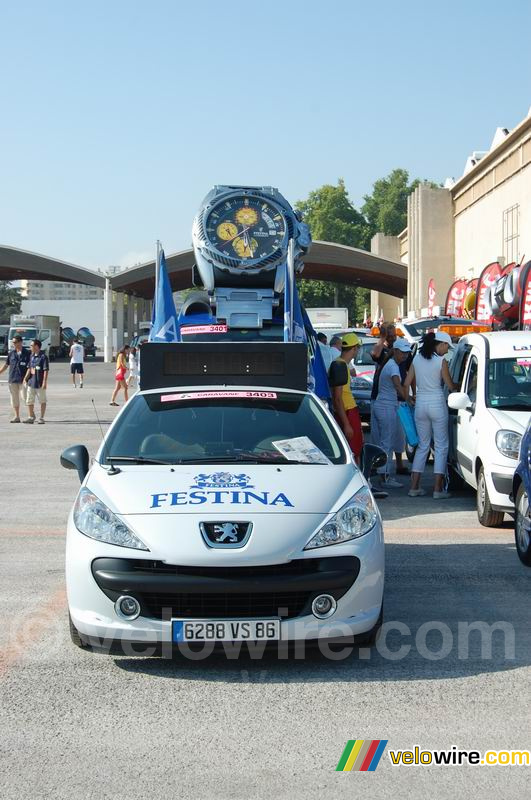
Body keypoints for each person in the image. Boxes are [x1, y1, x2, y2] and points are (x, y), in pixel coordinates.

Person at [404, 331, 458, 499]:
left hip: (420, 405)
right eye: (446, 346)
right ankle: (437, 490)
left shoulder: (417, 359)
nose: (447, 350)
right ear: (439, 344)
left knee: (422, 446)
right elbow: (450, 386)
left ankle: (414, 487)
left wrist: (408, 399)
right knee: (441, 446)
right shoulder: (441, 361)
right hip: (437, 404)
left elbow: (406, 383)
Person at [370, 323, 411, 475]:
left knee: (398, 434)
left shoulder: (402, 350)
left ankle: (396, 464)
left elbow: (409, 371)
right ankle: (380, 469)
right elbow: (374, 354)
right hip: (384, 400)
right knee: (382, 437)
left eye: (394, 334)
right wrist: (382, 338)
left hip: (396, 400)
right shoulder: (385, 354)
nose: (392, 337)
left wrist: (407, 393)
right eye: (390, 335)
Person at [328, 333, 363, 462]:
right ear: (354, 348)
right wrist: (347, 424)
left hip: (347, 411)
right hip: (347, 412)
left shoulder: (341, 364)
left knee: (355, 451)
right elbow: (337, 398)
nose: (358, 351)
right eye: (357, 348)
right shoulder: (340, 365)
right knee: (353, 453)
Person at [0, 335, 31, 423]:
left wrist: (28, 378)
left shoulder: (27, 353)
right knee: (14, 399)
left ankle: (30, 415)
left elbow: (30, 367)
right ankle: (17, 416)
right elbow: (6, 365)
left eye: (15, 342)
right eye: (13, 342)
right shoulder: (11, 353)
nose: (13, 344)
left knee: (25, 398)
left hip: (23, 380)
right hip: (13, 379)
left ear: (20, 342)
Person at [23, 339, 49, 424]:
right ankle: (30, 417)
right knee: (29, 400)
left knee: (42, 400)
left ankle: (41, 418)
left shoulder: (43, 357)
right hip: (31, 382)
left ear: (37, 346)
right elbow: (29, 368)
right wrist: (25, 378)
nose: (30, 347)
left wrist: (44, 382)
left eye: (31, 345)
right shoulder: (31, 356)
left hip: (40, 383)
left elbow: (45, 370)